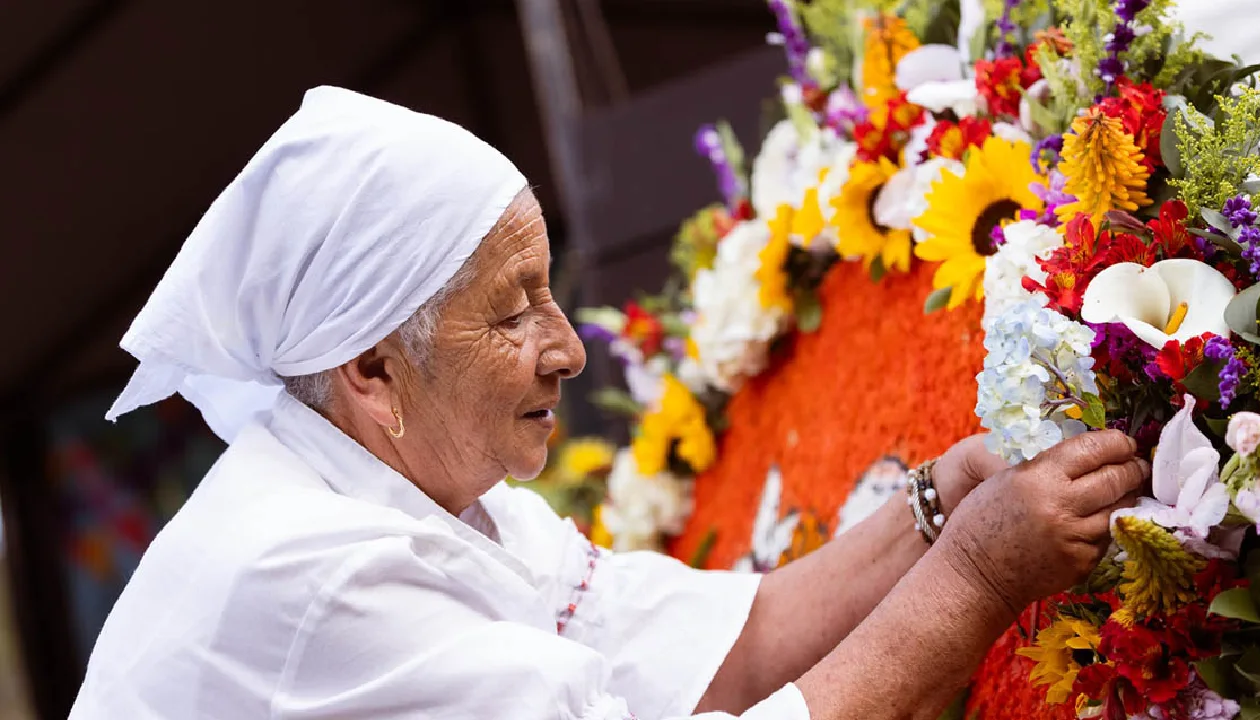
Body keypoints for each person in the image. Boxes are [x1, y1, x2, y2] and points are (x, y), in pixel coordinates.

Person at [69, 86, 1147, 720]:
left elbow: (714, 645)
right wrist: (975, 573)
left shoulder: (433, 487)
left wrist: (924, 513)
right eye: (510, 312)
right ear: (368, 368)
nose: (565, 350)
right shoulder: (309, 569)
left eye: (551, 292)